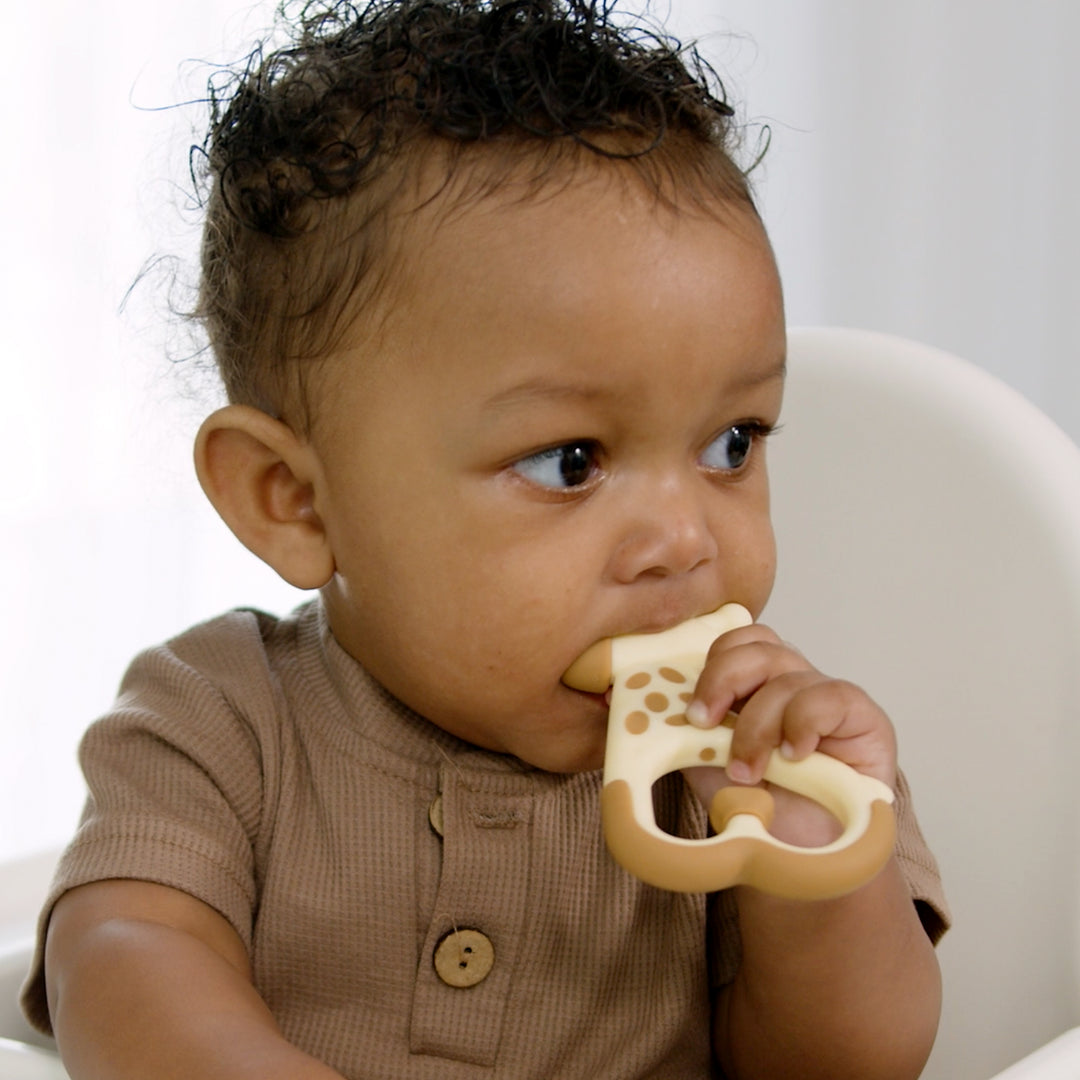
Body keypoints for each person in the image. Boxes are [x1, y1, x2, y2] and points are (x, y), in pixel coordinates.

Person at [22, 1, 948, 1076]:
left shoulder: (761, 746)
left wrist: (811, 878)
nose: (685, 540)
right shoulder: (217, 725)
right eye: (572, 462)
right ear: (296, 501)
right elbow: (126, 963)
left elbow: (852, 1065)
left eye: (732, 443)